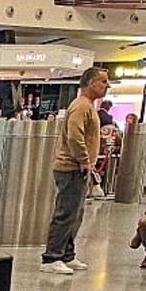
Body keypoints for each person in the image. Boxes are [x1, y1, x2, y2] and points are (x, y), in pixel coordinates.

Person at [40, 66, 108, 275]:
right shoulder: (80, 106)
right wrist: (84, 160)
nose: (107, 86)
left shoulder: (87, 106)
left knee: (75, 214)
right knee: (66, 213)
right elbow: (74, 135)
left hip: (78, 168)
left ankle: (66, 254)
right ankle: (51, 257)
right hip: (71, 167)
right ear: (91, 83)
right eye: (103, 81)